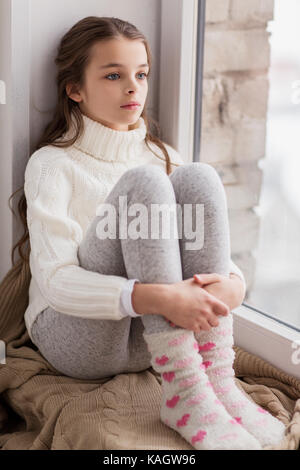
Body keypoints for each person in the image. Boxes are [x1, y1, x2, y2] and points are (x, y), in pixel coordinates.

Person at [13, 16, 285, 450]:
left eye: (141, 74)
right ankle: (186, 391)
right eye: (113, 75)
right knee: (145, 184)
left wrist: (232, 288)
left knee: (198, 178)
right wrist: (156, 297)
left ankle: (215, 381)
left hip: (154, 342)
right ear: (75, 89)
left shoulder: (165, 156)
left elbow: (213, 255)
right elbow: (56, 282)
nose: (133, 87)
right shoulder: (53, 165)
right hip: (78, 339)